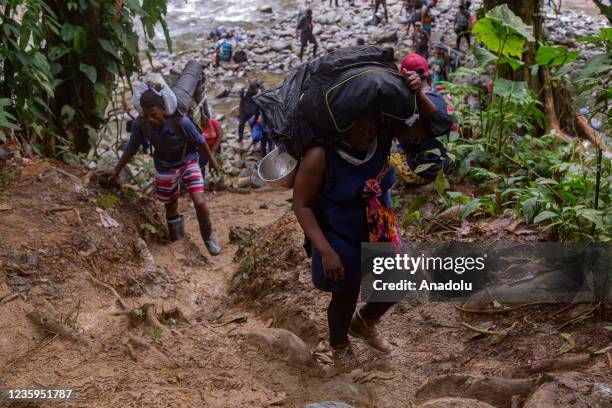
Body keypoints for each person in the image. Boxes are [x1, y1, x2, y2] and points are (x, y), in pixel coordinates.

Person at [292, 109, 405, 371]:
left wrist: (416, 90)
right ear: (340, 128)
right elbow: (302, 204)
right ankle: (339, 345)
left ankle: (364, 322)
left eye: (371, 126)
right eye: (359, 127)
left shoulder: (382, 139)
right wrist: (325, 250)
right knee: (345, 293)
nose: (368, 132)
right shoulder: (320, 156)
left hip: (379, 226)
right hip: (338, 232)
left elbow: (427, 126)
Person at [106, 90, 222, 255]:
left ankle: (208, 239)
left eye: (154, 115)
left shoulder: (181, 122)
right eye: (146, 116)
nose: (150, 120)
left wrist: (212, 161)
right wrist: (116, 170)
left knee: (200, 201)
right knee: (171, 204)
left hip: (187, 160)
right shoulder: (141, 124)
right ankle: (178, 240)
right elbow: (132, 147)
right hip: (164, 165)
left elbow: (200, 142)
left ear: (163, 109)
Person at [395, 53, 453, 184]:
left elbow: (405, 137)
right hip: (442, 165)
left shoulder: (416, 104)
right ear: (429, 77)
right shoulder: (437, 97)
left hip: (423, 171)